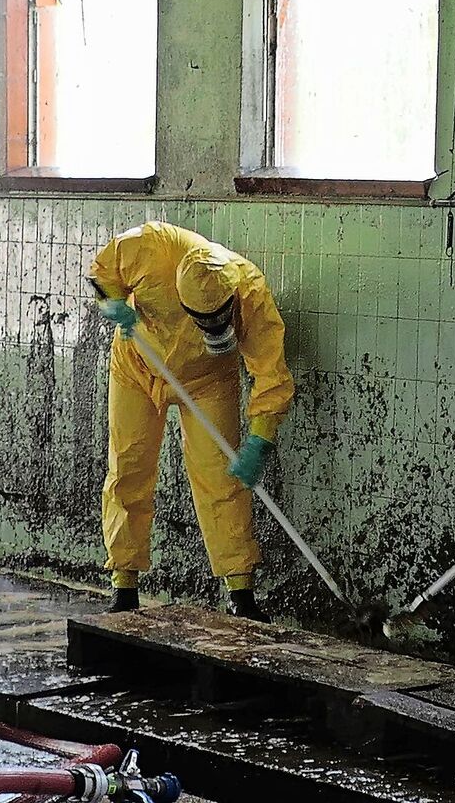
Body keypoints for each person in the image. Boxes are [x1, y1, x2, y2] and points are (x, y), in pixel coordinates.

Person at [88, 221, 294, 622]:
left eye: (219, 319)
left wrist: (260, 438)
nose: (213, 327)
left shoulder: (251, 291)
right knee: (129, 466)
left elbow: (271, 374)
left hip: (207, 380)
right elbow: (104, 269)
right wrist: (113, 301)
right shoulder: (150, 246)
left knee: (221, 478)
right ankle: (124, 584)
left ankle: (241, 593)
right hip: (137, 367)